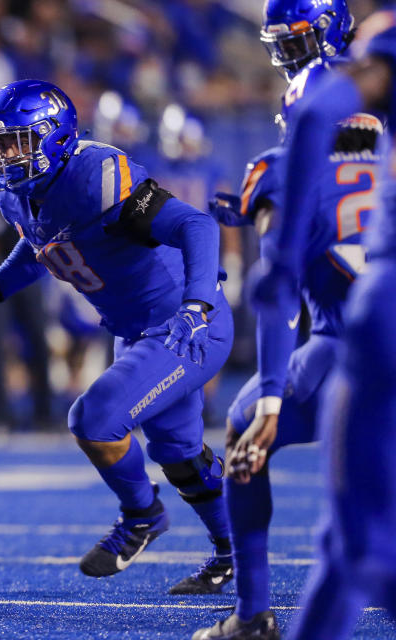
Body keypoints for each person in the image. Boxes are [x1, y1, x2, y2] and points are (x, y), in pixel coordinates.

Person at [0, 79, 234, 593]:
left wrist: (197, 303)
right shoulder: (17, 193)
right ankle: (233, 553)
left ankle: (142, 516)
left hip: (183, 326)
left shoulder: (95, 176)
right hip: (135, 329)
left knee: (94, 419)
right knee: (177, 452)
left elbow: (197, 227)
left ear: (55, 138)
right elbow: (43, 246)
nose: (4, 156)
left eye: (16, 142)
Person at [192, 1, 362, 638]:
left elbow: (277, 294)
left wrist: (268, 401)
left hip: (355, 341)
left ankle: (252, 614)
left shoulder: (278, 166)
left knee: (244, 431)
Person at [251, 8, 396, 639]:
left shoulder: (339, 81)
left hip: (378, 311)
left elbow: (314, 116)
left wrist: (280, 260)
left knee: (354, 542)